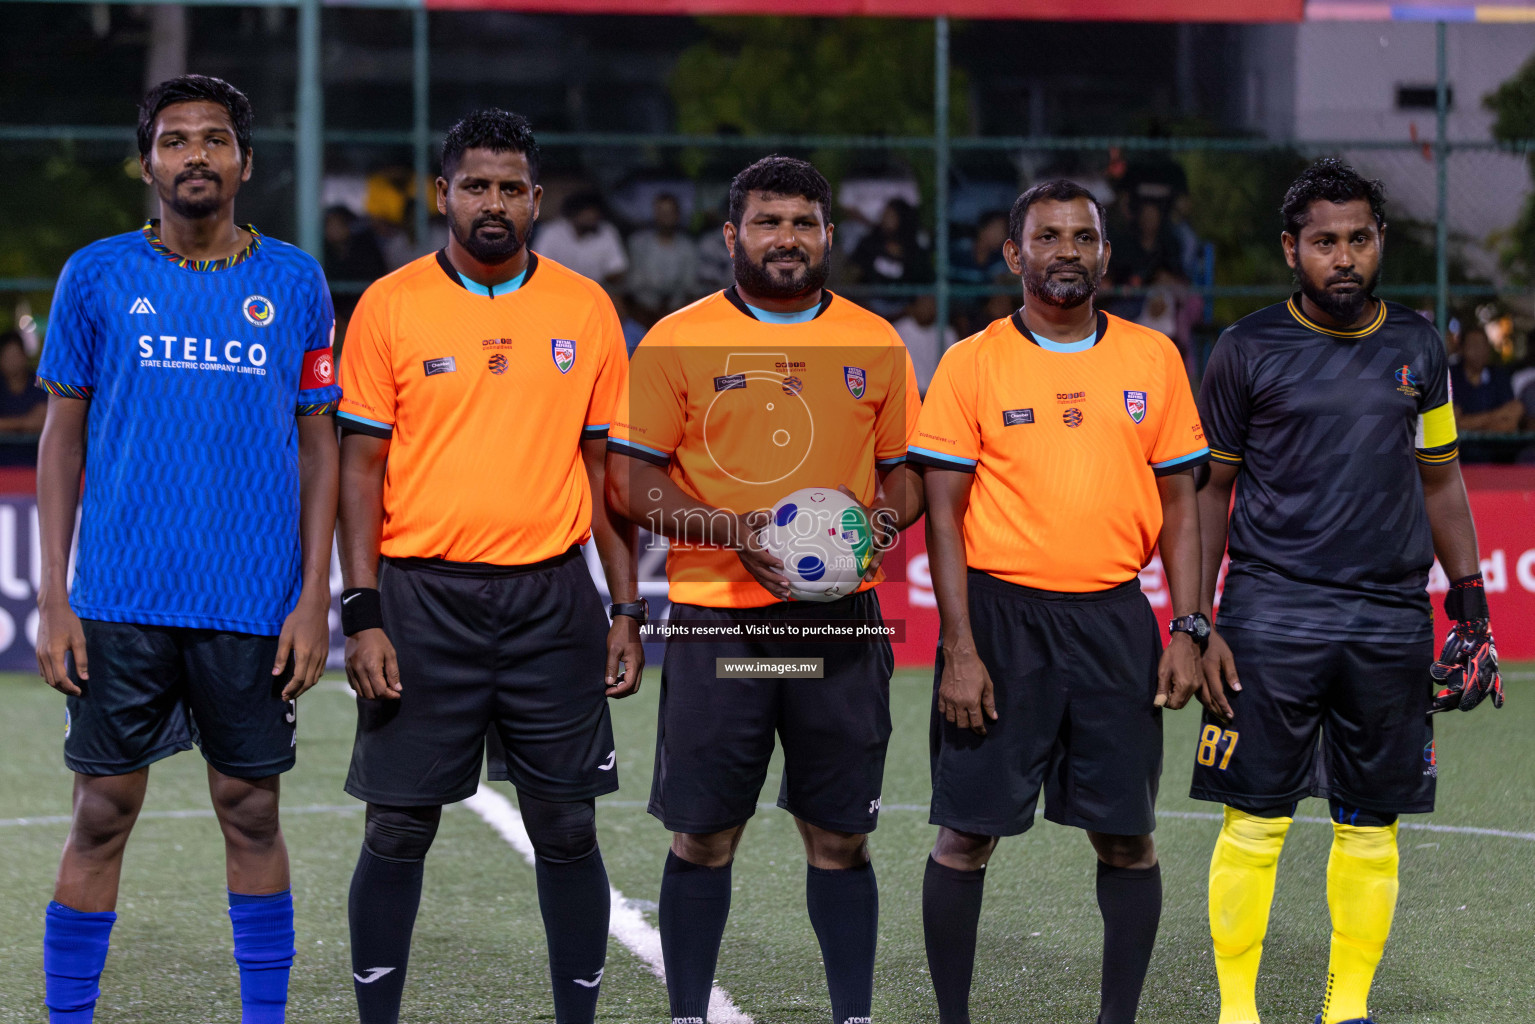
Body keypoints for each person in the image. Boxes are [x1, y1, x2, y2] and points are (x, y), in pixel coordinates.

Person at [33, 74, 339, 1024]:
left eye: (214, 139)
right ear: (150, 161)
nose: (194, 155)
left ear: (245, 162)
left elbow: (319, 442)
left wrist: (312, 598)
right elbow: (60, 437)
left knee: (251, 812)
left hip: (253, 601)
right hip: (120, 598)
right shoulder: (95, 274)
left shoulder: (294, 280)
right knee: (100, 814)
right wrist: (54, 596)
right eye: (174, 140)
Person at [336, 108, 644, 1024]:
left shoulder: (585, 308)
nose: (494, 202)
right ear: (442, 195)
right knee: (397, 826)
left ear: (538, 200)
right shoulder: (389, 305)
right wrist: (362, 611)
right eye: (476, 185)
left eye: (511, 187)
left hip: (553, 601)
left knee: (566, 824)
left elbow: (606, 476)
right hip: (421, 599)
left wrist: (625, 608)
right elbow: (360, 468)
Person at [606, 155, 923, 1024]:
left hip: (839, 632)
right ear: (730, 236)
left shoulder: (875, 341)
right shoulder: (676, 340)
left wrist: (879, 526)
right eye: (767, 222)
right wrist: (728, 532)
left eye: (802, 223)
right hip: (722, 630)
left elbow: (906, 478)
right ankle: (683, 1014)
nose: (786, 238)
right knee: (703, 834)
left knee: (840, 834)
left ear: (828, 234)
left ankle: (851, 1015)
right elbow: (628, 480)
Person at [1193, 158, 1500, 1024]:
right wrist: (1195, 619)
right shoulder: (1245, 348)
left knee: (1370, 826)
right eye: (1323, 242)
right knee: (1254, 823)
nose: (1342, 258)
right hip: (1267, 616)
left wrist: (1470, 608)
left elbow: (1440, 481)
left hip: (1389, 621)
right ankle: (1237, 1012)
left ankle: (1345, 1009)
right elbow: (1209, 491)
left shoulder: (1415, 345)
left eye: (1357, 239)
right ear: (1291, 249)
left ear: (1378, 243)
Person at [909, 178, 1207, 1024]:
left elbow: (1182, 504)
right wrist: (958, 649)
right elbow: (942, 511)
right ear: (1014, 255)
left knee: (1126, 835)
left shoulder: (1153, 358)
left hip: (1114, 619)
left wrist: (1187, 626)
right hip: (1000, 624)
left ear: (1105, 254)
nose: (1066, 251)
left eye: (1083, 236)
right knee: (966, 837)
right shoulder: (970, 362)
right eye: (1047, 237)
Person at [848, 197, 934, 317]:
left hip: (905, 307)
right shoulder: (870, 242)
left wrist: (901, 257)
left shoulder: (914, 248)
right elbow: (855, 271)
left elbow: (924, 279)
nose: (886, 218)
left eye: (891, 215)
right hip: (871, 304)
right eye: (885, 214)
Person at [1450, 326, 1523, 462]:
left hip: (1497, 458)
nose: (1479, 351)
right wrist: (1497, 416)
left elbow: (1511, 422)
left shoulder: (1499, 375)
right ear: (1461, 348)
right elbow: (1454, 423)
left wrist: (1471, 423)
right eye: (1474, 345)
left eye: (1483, 345)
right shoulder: (1451, 376)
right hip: (1461, 458)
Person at [625, 192, 699, 322]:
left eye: (670, 212)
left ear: (677, 214)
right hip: (644, 309)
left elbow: (689, 285)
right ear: (654, 213)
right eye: (661, 211)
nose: (665, 216)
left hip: (677, 310)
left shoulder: (688, 246)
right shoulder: (638, 243)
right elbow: (634, 282)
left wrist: (671, 307)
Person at [534, 190, 629, 290]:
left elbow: (617, 270)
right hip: (556, 288)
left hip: (593, 291)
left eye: (595, 212)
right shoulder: (552, 231)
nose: (592, 216)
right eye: (586, 212)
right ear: (573, 214)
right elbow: (538, 267)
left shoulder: (607, 231)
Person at [892, 293, 958, 393]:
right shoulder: (898, 330)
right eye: (924, 303)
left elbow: (954, 371)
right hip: (906, 394)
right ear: (911, 307)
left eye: (932, 304)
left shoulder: (947, 333)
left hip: (936, 394)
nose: (929, 307)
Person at [0, 329, 47, 465]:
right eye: (7, 356)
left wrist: (6, 424)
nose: (12, 361)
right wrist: (24, 423)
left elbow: (43, 421)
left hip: (35, 463)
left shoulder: (40, 383)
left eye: (15, 355)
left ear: (24, 355)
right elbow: (33, 422)